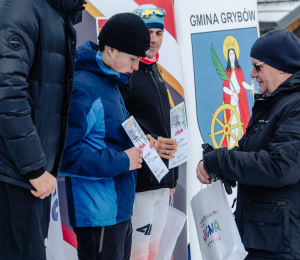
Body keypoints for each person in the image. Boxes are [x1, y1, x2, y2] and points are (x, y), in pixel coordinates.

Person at [197, 29, 300, 259]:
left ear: (280, 67)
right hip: (261, 235)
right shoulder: (271, 102)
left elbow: (280, 168)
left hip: (280, 242)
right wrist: (215, 165)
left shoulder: (296, 105)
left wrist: (220, 161)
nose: (252, 74)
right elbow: (246, 150)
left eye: (258, 66)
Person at [59, 13, 154, 260]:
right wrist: (123, 160)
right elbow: (65, 155)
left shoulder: (110, 81)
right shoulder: (84, 86)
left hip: (119, 209)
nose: (136, 66)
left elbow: (108, 136)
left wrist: (143, 142)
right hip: (97, 214)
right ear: (110, 49)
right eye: (133, 59)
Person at [0, 0, 85, 259]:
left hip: (31, 175)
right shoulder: (22, 6)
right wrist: (34, 166)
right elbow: (7, 90)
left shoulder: (57, 13)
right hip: (16, 172)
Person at [118, 5, 179, 260]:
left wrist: (172, 177)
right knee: (139, 254)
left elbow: (160, 123)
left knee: (156, 254)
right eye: (148, 32)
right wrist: (148, 141)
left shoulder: (154, 69)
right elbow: (118, 122)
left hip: (162, 180)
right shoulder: (126, 72)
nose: (153, 40)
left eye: (159, 33)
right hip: (140, 180)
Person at [221, 36, 254, 148]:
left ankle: (242, 146)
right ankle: (232, 146)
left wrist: (249, 87)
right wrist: (232, 93)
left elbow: (242, 83)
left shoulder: (239, 70)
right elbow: (224, 88)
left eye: (233, 54)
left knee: (242, 123)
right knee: (233, 124)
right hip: (232, 102)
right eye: (229, 54)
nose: (231, 56)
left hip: (240, 101)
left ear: (235, 56)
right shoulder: (227, 72)